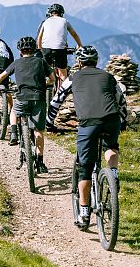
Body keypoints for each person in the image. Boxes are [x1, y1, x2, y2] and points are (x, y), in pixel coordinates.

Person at [46, 45, 127, 230]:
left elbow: (56, 101)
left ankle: (84, 213)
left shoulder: (73, 78)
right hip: (111, 120)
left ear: (79, 62)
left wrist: (50, 123)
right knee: (111, 146)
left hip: (88, 124)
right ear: (96, 61)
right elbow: (121, 100)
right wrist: (122, 121)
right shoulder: (108, 76)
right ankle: (113, 174)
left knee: (85, 169)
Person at [0, 36, 55, 171]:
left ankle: (13, 133)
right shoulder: (41, 61)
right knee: (39, 131)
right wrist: (45, 84)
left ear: (20, 51)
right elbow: (52, 79)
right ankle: (40, 162)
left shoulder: (16, 63)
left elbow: (3, 75)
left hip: (22, 97)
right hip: (38, 98)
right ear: (34, 49)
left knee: (14, 110)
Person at [36, 3, 82, 85]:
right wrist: (80, 45)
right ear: (61, 13)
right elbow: (74, 34)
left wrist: (40, 48)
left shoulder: (45, 22)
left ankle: (46, 84)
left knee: (47, 70)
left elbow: (39, 37)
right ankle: (65, 92)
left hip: (46, 49)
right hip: (60, 49)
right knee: (63, 74)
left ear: (50, 13)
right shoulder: (65, 21)